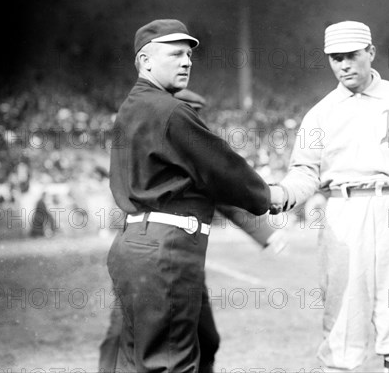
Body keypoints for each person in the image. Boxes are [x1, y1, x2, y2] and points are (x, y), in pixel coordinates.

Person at [106, 19, 282, 371]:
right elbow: (222, 168)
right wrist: (268, 195)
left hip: (134, 244)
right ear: (146, 61)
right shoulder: (170, 110)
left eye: (188, 54)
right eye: (175, 54)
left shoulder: (132, 108)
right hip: (167, 250)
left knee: (135, 361)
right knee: (174, 361)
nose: (187, 61)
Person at [274, 21, 389, 372]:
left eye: (352, 56)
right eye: (335, 58)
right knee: (343, 323)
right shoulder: (320, 113)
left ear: (371, 52)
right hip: (344, 210)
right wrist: (281, 193)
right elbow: (305, 172)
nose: (344, 66)